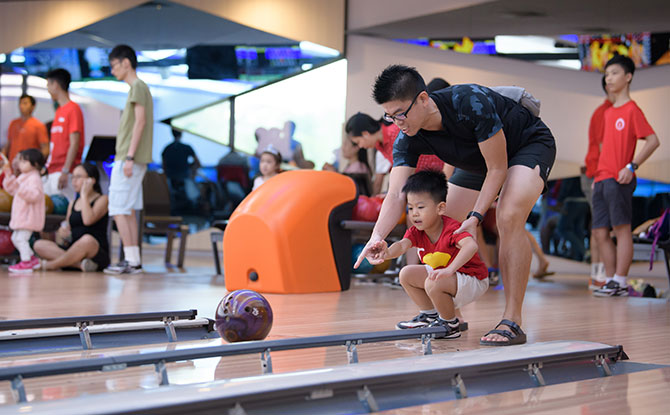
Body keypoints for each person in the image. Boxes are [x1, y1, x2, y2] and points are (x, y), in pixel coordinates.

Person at [356, 64, 556, 346]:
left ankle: (512, 319)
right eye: (390, 116)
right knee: (439, 221)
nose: (398, 123)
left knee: (508, 216)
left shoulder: (469, 102)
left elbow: (497, 169)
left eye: (401, 113)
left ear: (423, 99)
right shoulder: (407, 137)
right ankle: (450, 315)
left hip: (525, 146)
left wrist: (475, 216)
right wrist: (376, 237)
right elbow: (396, 194)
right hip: (477, 160)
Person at [371, 170, 488, 339]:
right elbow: (403, 246)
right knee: (406, 273)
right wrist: (386, 252)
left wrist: (450, 270)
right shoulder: (417, 231)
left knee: (433, 282)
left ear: (440, 208)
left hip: (473, 279)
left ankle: (451, 324)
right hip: (449, 279)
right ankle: (430, 315)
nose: (414, 213)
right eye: (410, 208)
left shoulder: (451, 228)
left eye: (420, 207)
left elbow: (471, 246)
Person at [592, 55, 660, 297]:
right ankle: (611, 280)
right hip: (601, 178)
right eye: (607, 74)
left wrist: (631, 166)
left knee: (621, 229)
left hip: (619, 179)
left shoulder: (632, 110)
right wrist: (596, 178)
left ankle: (620, 280)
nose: (608, 78)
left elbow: (653, 141)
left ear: (628, 77)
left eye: (614, 73)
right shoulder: (609, 112)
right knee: (600, 232)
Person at [104, 44, 153, 275]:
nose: (112, 70)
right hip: (129, 158)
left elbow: (140, 122)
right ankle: (133, 260)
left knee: (118, 208)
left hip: (128, 157)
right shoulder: (138, 88)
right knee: (128, 209)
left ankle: (131, 260)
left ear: (126, 63)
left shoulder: (137, 87)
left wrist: (130, 156)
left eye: (114, 65)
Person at [34, 163, 110, 271]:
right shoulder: (72, 203)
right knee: (39, 245)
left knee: (87, 240)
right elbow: (68, 225)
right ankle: (79, 265)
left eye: (78, 177)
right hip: (72, 248)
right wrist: (62, 231)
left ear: (91, 180)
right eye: (73, 177)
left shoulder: (103, 199)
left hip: (94, 250)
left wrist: (84, 195)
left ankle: (52, 265)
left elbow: (88, 220)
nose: (74, 181)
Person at [581, 76, 614, 289]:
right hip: (598, 174)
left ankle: (598, 275)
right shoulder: (607, 112)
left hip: (598, 173)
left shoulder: (605, 111)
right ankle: (600, 275)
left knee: (599, 227)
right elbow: (603, 146)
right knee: (601, 228)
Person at [1, 149, 45, 273]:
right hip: (22, 217)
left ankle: (26, 262)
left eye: (24, 161)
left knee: (21, 239)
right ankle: (31, 259)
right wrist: (8, 175)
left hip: (28, 217)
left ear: (35, 164)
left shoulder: (34, 178)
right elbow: (11, 189)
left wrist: (18, 187)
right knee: (16, 238)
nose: (20, 164)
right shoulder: (24, 177)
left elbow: (34, 195)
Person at [44, 68, 85, 201]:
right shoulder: (60, 111)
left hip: (65, 172)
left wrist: (66, 171)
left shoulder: (73, 109)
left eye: (48, 85)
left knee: (63, 214)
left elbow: (74, 143)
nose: (48, 89)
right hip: (52, 170)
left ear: (55, 84)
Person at [162, 128, 200, 212]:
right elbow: (198, 163)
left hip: (170, 180)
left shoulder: (166, 149)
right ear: (181, 134)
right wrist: (192, 170)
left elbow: (163, 167)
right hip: (185, 178)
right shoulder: (187, 147)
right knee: (195, 193)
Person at [2, 94, 49, 164]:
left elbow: (45, 149)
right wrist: (3, 158)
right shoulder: (13, 123)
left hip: (28, 168)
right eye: (20, 103)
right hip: (13, 167)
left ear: (33, 107)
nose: (21, 106)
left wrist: (34, 164)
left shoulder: (38, 125)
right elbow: (7, 145)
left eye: (25, 103)